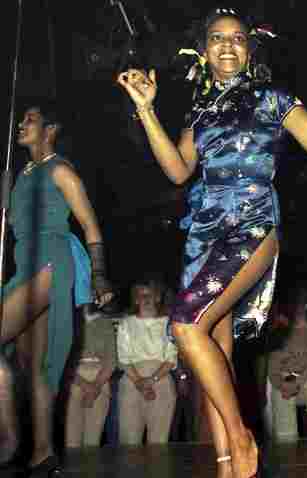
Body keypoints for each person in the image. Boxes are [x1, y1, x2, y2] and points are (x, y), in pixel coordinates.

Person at [117, 7, 307, 477]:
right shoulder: (199, 111)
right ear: (203, 52)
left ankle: (241, 440)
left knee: (185, 325)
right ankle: (227, 465)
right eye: (217, 38)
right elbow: (178, 170)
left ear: (249, 50)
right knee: (214, 352)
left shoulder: (273, 97)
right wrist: (146, 109)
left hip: (254, 223)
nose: (226, 45)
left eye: (237, 38)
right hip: (203, 234)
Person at [0, 99, 113, 475]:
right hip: (24, 266)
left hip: (51, 262)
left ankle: (9, 440)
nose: (21, 124)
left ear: (50, 130)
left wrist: (99, 275)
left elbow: (90, 225)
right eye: (21, 119)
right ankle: (42, 453)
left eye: (30, 120)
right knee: (33, 365)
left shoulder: (60, 170)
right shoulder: (20, 174)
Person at [117, 280, 178, 445]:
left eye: (149, 294)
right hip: (131, 382)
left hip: (161, 382)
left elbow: (171, 357)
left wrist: (152, 380)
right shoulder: (126, 323)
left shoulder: (168, 323)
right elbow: (123, 357)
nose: (145, 298)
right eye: (141, 295)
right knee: (129, 443)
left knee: (159, 443)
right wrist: (139, 382)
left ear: (157, 297)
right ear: (135, 299)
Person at [265, 288, 307, 441]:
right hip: (283, 385)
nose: (298, 307)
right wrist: (282, 384)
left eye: (301, 302)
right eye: (294, 303)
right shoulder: (280, 331)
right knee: (286, 437)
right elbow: (272, 368)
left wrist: (295, 381)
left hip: (304, 383)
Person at [64, 306, 117, 448]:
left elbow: (111, 360)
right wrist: (85, 385)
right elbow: (59, 357)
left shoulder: (104, 322)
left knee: (92, 443)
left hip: (99, 378)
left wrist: (95, 386)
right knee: (71, 442)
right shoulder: (66, 320)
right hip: (72, 378)